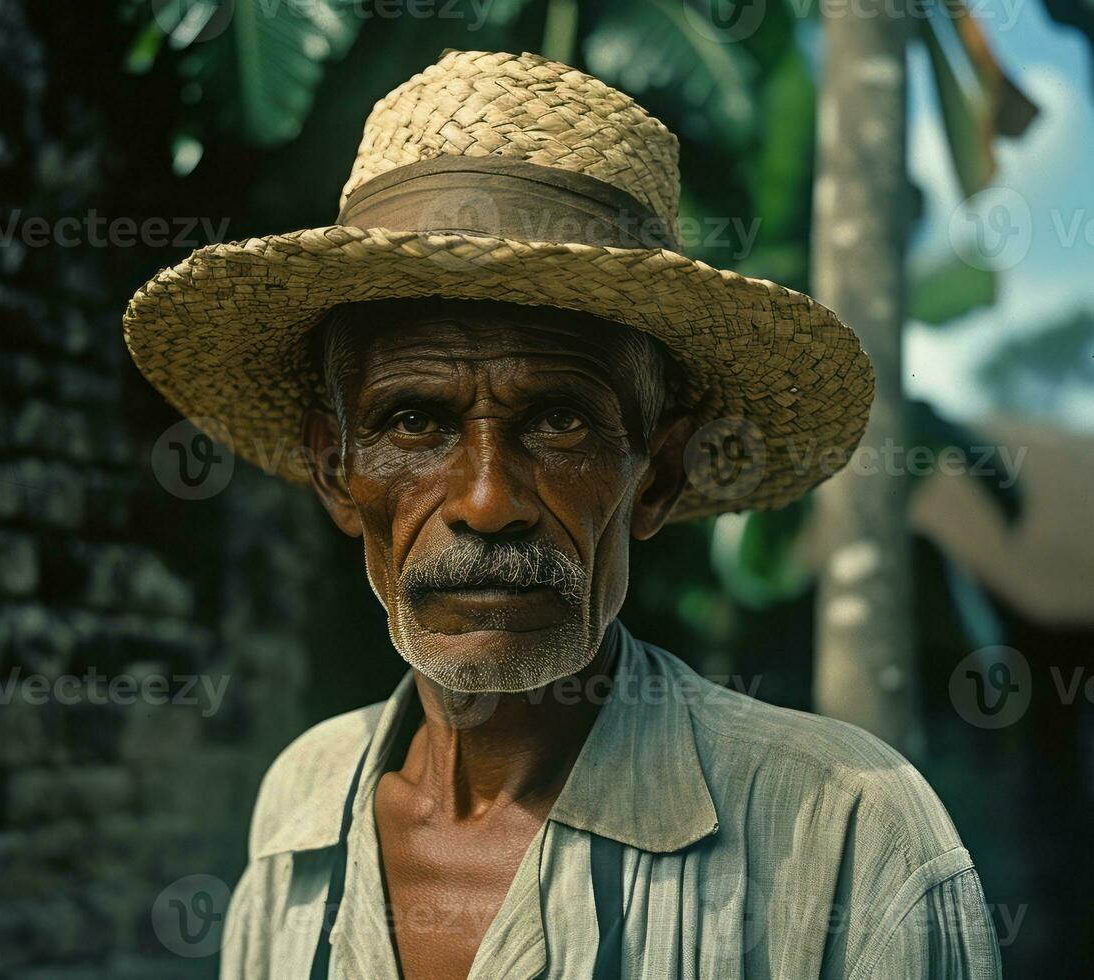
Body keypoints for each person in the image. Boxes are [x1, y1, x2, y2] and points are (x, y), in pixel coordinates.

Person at [124, 48, 1002, 980]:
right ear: (336, 472)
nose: (488, 502)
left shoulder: (843, 833)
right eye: (415, 422)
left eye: (560, 420)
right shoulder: (302, 805)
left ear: (655, 476)